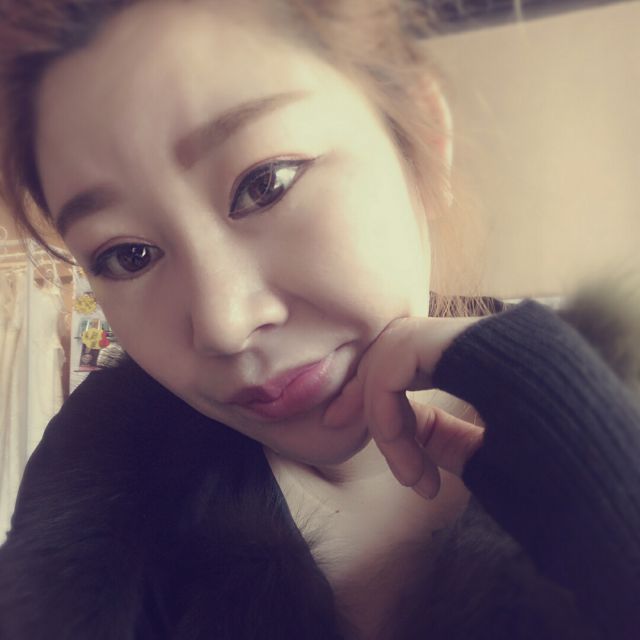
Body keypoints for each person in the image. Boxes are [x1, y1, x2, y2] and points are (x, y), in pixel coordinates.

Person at [0, 1, 639, 638]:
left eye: (265, 184)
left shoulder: (614, 405)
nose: (223, 324)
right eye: (127, 255)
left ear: (423, 132)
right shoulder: (99, 503)